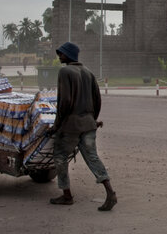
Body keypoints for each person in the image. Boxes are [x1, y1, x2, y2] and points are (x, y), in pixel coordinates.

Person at [48, 42, 117, 211]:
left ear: (69, 55)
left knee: (60, 156)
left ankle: (67, 195)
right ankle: (110, 192)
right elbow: (97, 100)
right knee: (92, 157)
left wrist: (56, 126)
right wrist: (93, 119)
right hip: (88, 124)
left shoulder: (65, 72)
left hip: (71, 126)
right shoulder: (88, 72)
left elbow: (65, 102)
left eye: (61, 54)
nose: (59, 56)